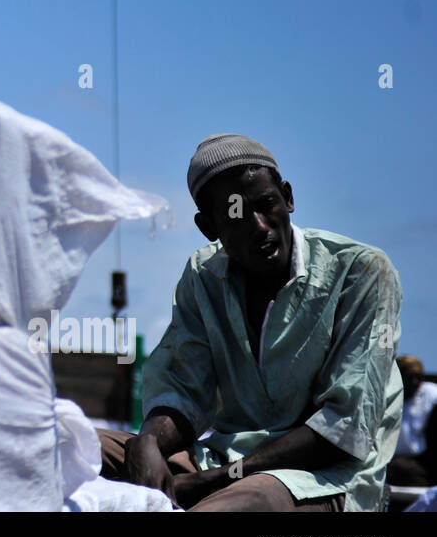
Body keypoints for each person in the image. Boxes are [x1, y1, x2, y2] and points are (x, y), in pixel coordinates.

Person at [98, 134, 403, 511]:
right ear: (208, 226)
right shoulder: (203, 275)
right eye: (237, 215)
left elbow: (344, 429)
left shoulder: (361, 272)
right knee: (72, 447)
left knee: (240, 502)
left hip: (322, 480)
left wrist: (210, 482)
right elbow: (184, 390)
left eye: (267, 204)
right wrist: (146, 442)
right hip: (219, 459)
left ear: (288, 197)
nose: (260, 226)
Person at [387, 354, 437, 486]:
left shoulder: (432, 395)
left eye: (418, 377)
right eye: (409, 377)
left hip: (421, 463)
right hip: (388, 461)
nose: (414, 382)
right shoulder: (386, 394)